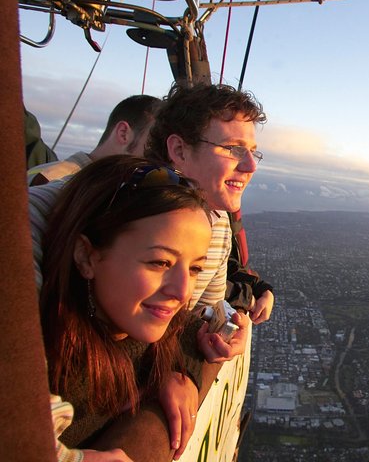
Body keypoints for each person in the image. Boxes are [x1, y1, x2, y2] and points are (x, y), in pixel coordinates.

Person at [40, 155, 249, 460]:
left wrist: (181, 372)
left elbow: (186, 327)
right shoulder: (42, 365)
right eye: (160, 263)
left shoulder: (139, 325)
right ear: (86, 256)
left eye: (194, 268)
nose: (182, 292)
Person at [145, 83, 275, 352]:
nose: (251, 166)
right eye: (233, 148)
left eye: (253, 152)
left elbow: (204, 313)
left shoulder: (218, 221)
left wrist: (219, 338)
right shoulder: (127, 211)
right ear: (179, 151)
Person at [27, 94, 160, 186]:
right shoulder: (54, 181)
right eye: (154, 142)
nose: (160, 156)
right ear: (123, 133)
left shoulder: (101, 183)